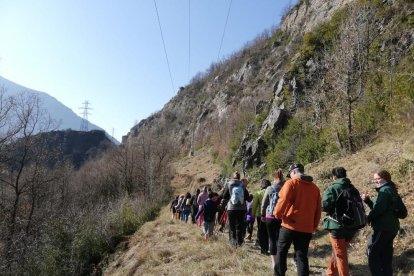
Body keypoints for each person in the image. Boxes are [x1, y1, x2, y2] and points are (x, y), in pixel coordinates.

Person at [274, 163, 321, 276]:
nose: (290, 176)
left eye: (290, 174)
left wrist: (277, 214)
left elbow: (283, 200)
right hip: (306, 228)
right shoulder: (315, 188)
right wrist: (314, 225)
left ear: (294, 172)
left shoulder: (291, 183)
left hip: (289, 226)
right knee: (301, 256)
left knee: (281, 252)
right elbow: (318, 209)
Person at [361, 170, 400, 276]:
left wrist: (367, 218)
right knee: (385, 254)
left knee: (372, 252)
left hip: (383, 227)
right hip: (392, 227)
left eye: (378, 178)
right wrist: (368, 201)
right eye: (375, 179)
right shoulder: (390, 189)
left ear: (385, 178)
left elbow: (379, 209)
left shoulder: (384, 190)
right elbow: (381, 206)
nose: (376, 181)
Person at [322, 167, 360, 276]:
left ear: (334, 177)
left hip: (337, 226)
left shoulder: (332, 189)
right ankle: (330, 273)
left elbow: (325, 206)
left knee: (340, 254)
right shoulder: (353, 188)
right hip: (352, 226)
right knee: (339, 251)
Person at [262, 169, 285, 270]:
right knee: (280, 240)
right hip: (282, 217)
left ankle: (274, 262)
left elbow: (264, 203)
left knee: (272, 239)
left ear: (274, 177)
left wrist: (262, 215)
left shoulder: (269, 188)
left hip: (270, 217)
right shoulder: (285, 187)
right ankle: (280, 260)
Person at [222, 171, 250, 247]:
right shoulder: (243, 185)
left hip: (231, 208)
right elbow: (247, 198)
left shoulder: (229, 184)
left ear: (233, 176)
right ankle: (240, 242)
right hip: (242, 209)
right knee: (239, 226)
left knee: (232, 226)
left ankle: (233, 243)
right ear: (239, 177)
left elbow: (224, 196)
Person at [252, 178, 271, 254]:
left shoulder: (258, 193)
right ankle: (270, 247)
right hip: (270, 215)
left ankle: (264, 249)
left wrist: (252, 215)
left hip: (260, 215)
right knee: (269, 232)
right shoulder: (272, 191)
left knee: (262, 232)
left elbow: (254, 205)